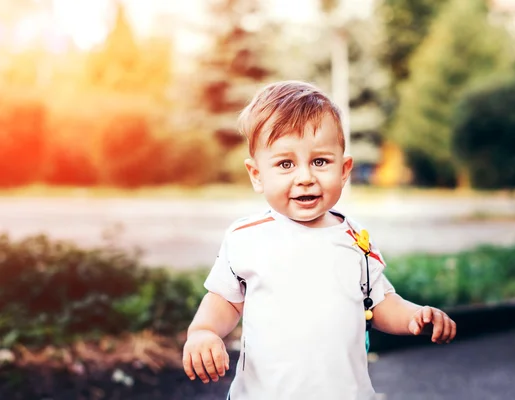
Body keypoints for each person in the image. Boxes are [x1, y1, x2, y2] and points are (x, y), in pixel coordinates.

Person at [182, 81, 457, 399]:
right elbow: (225, 301)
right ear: (257, 174)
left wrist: (414, 317)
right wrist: (203, 332)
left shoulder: (355, 240)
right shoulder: (247, 238)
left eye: (320, 162)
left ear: (344, 169)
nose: (305, 177)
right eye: (285, 164)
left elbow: (378, 303)